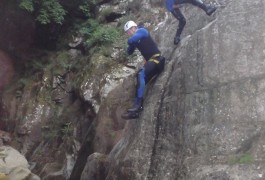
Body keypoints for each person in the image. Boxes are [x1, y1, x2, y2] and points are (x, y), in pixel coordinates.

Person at [122, 21, 165, 119]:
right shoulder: (135, 39)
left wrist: (131, 42)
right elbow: (129, 52)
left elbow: (131, 40)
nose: (129, 33)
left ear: (134, 27)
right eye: (127, 32)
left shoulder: (142, 31)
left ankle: (138, 106)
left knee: (141, 74)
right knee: (139, 82)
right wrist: (131, 45)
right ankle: (135, 111)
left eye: (129, 31)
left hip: (157, 60)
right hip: (153, 64)